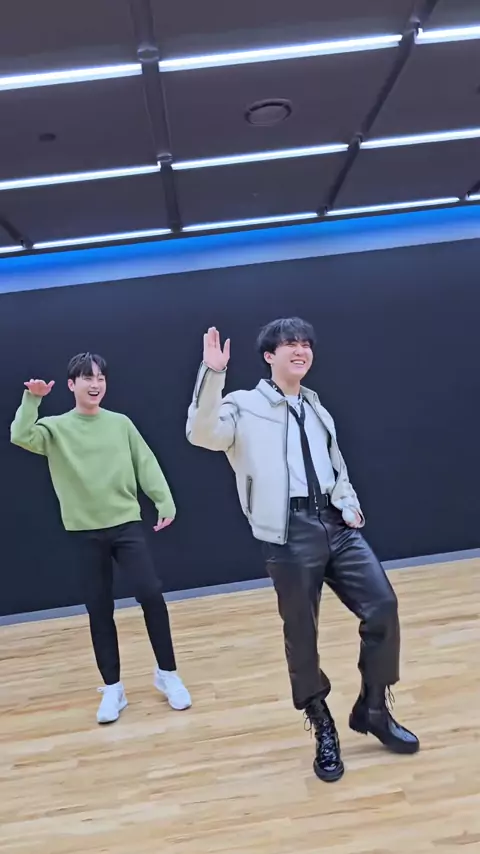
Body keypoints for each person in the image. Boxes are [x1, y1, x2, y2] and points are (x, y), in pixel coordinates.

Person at [186, 319, 419, 782]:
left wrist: (348, 503)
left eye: (306, 344)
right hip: (288, 532)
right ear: (269, 356)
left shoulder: (315, 406)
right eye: (290, 344)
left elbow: (335, 464)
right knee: (302, 634)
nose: (301, 350)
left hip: (335, 525)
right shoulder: (244, 405)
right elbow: (202, 432)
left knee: (383, 607)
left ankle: (373, 709)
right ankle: (322, 723)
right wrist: (212, 374)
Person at [11, 352, 191, 725]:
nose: (96, 384)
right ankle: (113, 688)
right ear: (72, 384)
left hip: (125, 524)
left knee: (151, 594)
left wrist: (164, 500)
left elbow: (145, 462)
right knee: (99, 607)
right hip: (83, 531)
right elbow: (21, 436)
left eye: (101, 378)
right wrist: (33, 399)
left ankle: (167, 673)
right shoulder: (55, 428)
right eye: (87, 378)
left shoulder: (120, 423)